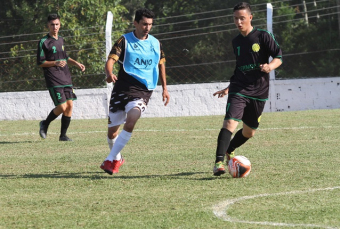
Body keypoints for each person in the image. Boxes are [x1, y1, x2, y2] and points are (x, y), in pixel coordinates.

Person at [212, 2, 282, 176]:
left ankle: (230, 150)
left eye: (242, 18)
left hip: (259, 91)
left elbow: (279, 57)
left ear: (250, 17)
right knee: (229, 122)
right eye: (235, 19)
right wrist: (230, 87)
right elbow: (240, 67)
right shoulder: (236, 41)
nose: (239, 22)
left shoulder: (263, 36)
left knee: (249, 132)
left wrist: (270, 67)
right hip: (239, 88)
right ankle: (219, 162)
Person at [100, 8, 170, 175]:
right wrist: (109, 74)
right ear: (136, 23)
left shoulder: (155, 43)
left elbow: (161, 64)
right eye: (144, 24)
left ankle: (109, 159)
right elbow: (110, 61)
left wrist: (165, 88)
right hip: (121, 89)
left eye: (150, 24)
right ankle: (117, 158)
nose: (147, 27)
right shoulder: (124, 41)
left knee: (131, 120)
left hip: (143, 91)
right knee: (112, 133)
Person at [37, 14, 85, 141]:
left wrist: (77, 63)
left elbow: (65, 57)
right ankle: (45, 124)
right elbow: (40, 62)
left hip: (65, 77)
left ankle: (63, 136)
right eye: (52, 24)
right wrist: (55, 63)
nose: (55, 27)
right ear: (48, 25)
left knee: (70, 105)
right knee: (62, 107)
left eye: (57, 24)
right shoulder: (43, 42)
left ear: (60, 25)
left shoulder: (61, 40)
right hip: (53, 78)